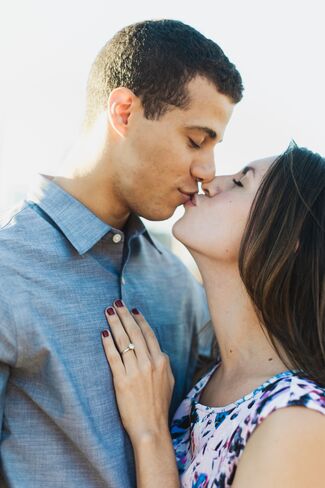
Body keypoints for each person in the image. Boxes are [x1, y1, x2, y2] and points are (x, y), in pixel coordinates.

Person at [0, 19, 243, 487]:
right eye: (196, 140)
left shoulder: (180, 287)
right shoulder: (8, 273)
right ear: (125, 112)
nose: (206, 170)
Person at [102, 143, 325, 487]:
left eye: (240, 183)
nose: (210, 181)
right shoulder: (211, 381)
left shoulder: (296, 422)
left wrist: (150, 433)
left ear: (290, 235)